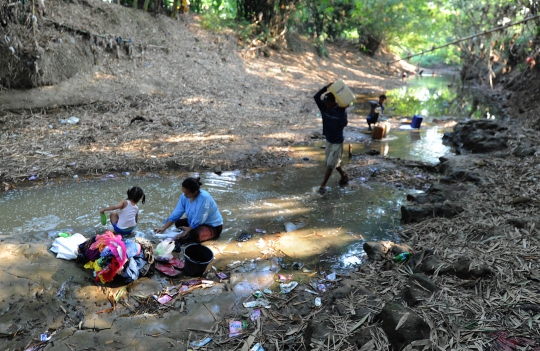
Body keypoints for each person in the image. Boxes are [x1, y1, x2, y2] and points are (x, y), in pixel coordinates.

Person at [154, 177, 223, 250]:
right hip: (195, 221)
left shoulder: (204, 198)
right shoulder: (184, 196)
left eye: (186, 193)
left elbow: (199, 220)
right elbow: (177, 213)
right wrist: (163, 228)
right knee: (178, 223)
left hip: (212, 226)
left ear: (195, 192)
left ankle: (190, 233)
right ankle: (189, 230)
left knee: (194, 235)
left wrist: (185, 233)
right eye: (183, 192)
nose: (184, 195)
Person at [314, 83, 349, 195]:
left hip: (337, 142)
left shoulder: (340, 111)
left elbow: (344, 124)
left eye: (329, 103)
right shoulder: (324, 108)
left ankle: (323, 185)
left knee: (330, 165)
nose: (327, 105)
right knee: (333, 162)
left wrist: (343, 110)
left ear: (334, 102)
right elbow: (316, 97)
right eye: (326, 103)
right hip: (328, 140)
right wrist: (326, 88)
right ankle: (344, 176)